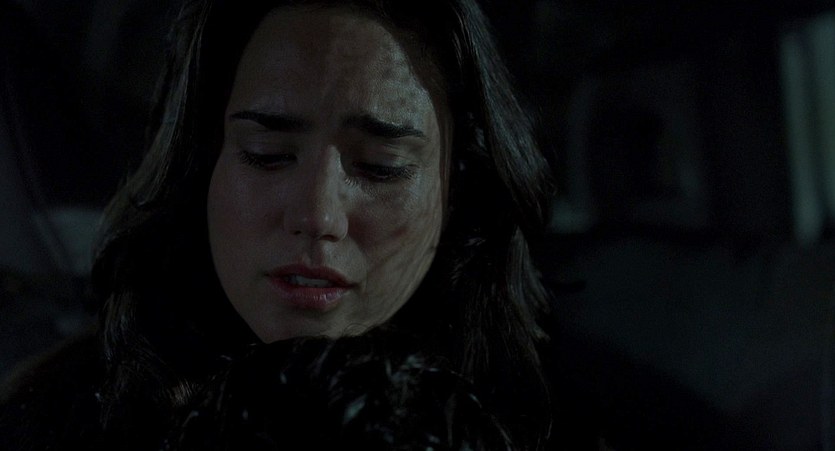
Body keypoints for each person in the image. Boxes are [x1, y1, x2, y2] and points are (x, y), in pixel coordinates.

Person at [0, 0, 556, 449]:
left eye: (380, 167)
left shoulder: (559, 422)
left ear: (457, 186)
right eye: (267, 155)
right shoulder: (56, 418)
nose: (317, 216)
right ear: (203, 166)